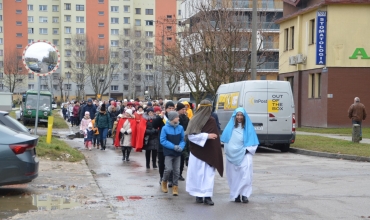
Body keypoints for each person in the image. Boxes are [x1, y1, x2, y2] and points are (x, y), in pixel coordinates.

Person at [185, 99, 224, 206]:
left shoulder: (211, 120)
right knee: (197, 174)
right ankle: (198, 195)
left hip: (209, 151)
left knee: (208, 175)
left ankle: (207, 196)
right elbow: (191, 136)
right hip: (197, 153)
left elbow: (215, 136)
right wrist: (206, 136)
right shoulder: (194, 120)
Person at [220, 107, 259, 203]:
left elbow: (253, 142)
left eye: (241, 115)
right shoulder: (230, 127)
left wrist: (247, 150)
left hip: (245, 154)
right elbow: (225, 141)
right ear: (235, 116)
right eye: (237, 115)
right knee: (234, 176)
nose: (239, 117)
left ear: (244, 116)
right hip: (232, 156)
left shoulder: (248, 128)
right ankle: (236, 194)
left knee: (246, 175)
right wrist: (229, 150)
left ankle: (245, 195)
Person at [160, 111, 185, 196]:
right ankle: (164, 182)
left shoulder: (180, 127)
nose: (178, 118)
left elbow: (183, 139)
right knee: (168, 169)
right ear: (172, 118)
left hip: (178, 152)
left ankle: (175, 186)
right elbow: (163, 140)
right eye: (177, 117)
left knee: (177, 171)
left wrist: (181, 146)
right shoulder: (165, 128)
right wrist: (173, 146)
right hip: (169, 152)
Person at [152, 102, 175, 186]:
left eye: (173, 108)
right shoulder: (162, 118)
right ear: (166, 109)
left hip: (172, 143)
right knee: (161, 162)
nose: (171, 110)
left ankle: (170, 179)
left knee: (171, 162)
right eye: (169, 108)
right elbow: (154, 125)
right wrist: (160, 117)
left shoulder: (176, 118)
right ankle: (162, 177)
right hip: (162, 144)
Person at [176, 102, 189, 181]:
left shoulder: (186, 118)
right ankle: (175, 173)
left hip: (184, 139)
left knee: (182, 158)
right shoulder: (176, 117)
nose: (184, 111)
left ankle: (180, 174)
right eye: (182, 109)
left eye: (185, 109)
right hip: (177, 139)